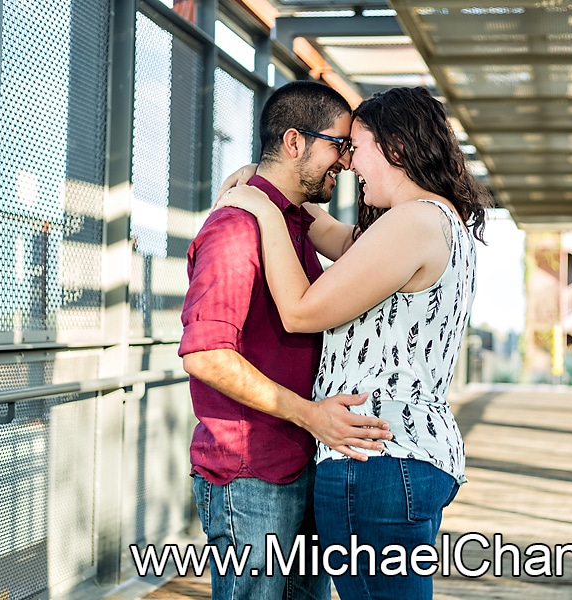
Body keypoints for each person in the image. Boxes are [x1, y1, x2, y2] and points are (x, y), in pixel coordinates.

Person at [215, 86, 493, 600]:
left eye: (356, 147)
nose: (348, 162)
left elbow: (299, 312)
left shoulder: (413, 222)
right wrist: (271, 186)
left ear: (396, 149)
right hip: (403, 459)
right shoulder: (434, 220)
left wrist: (258, 207)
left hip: (377, 461)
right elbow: (343, 241)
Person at [179, 80, 392, 600]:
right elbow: (206, 355)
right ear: (295, 142)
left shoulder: (291, 220)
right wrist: (309, 413)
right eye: (337, 146)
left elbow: (364, 247)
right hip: (250, 472)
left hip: (301, 459)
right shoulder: (236, 228)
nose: (344, 162)